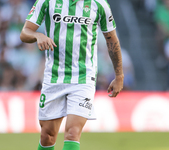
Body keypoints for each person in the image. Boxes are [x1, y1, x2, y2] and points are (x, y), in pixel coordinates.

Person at [20, 0, 124, 150]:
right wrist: (37, 35)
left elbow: (112, 39)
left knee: (72, 133)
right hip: (54, 76)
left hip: (83, 77)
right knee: (47, 135)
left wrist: (119, 76)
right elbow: (25, 32)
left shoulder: (99, 4)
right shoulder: (47, 2)